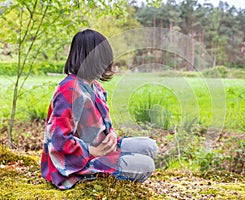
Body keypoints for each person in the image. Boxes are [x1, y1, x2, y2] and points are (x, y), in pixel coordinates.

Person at [40, 29, 158, 190]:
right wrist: (92, 150)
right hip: (79, 163)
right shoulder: (69, 90)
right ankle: (93, 178)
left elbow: (105, 125)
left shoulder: (95, 87)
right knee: (146, 165)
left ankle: (114, 164)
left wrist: (112, 134)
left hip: (103, 147)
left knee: (150, 146)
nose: (107, 62)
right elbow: (58, 140)